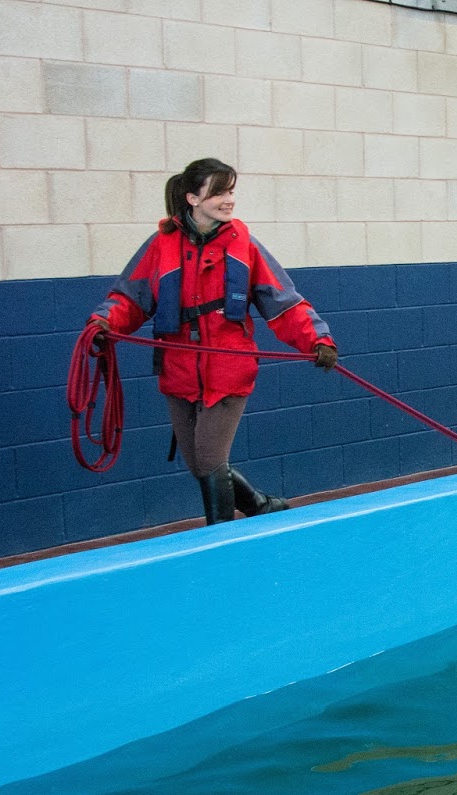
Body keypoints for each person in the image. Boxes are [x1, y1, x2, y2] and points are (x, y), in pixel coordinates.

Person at [87, 158, 338, 525]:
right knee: (199, 464)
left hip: (228, 370)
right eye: (219, 192)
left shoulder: (245, 245)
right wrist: (104, 320)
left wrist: (317, 339)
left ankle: (221, 541)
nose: (228, 200)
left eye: (231, 191)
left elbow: (283, 302)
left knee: (209, 460)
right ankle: (260, 506)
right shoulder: (161, 245)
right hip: (178, 370)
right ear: (192, 198)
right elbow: (129, 297)